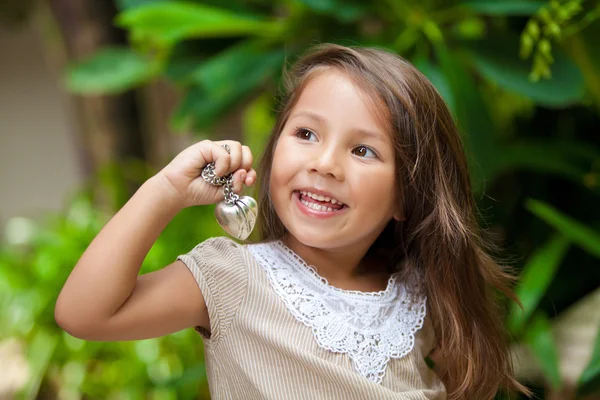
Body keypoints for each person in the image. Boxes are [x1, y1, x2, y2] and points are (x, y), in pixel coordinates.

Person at [55, 43, 531, 400]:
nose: (324, 163)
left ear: (407, 198)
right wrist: (165, 191)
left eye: (363, 150)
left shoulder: (415, 295)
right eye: (306, 133)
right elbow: (84, 314)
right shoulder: (234, 278)